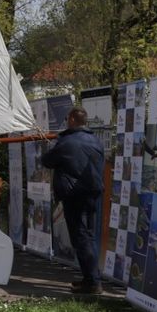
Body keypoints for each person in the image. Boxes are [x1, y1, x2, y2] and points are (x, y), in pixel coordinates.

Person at [41, 106, 106, 294]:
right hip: (93, 193)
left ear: (71, 120)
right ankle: (89, 278)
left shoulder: (67, 142)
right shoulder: (95, 140)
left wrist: (56, 142)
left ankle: (93, 282)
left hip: (74, 194)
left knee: (81, 238)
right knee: (88, 236)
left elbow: (47, 160)